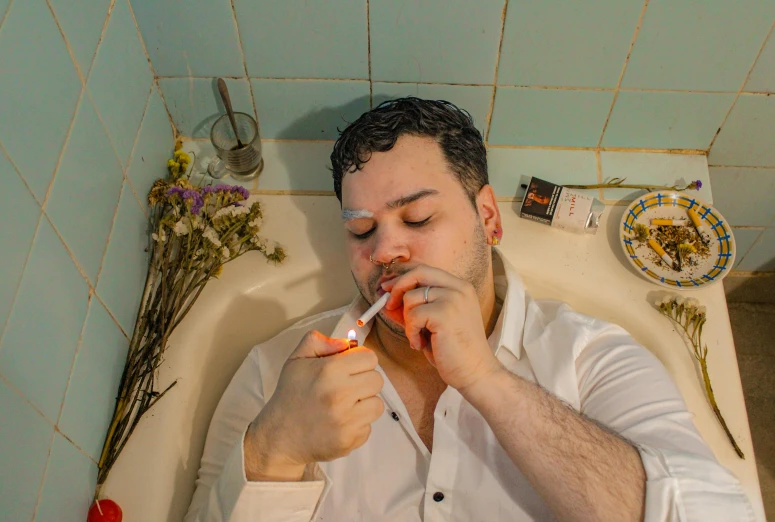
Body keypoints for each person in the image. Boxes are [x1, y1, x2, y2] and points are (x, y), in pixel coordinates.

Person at [184, 98, 753, 522]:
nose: (384, 251)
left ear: (488, 219)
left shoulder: (590, 357)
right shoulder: (275, 374)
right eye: (361, 230)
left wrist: (487, 379)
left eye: (417, 220)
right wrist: (273, 452)